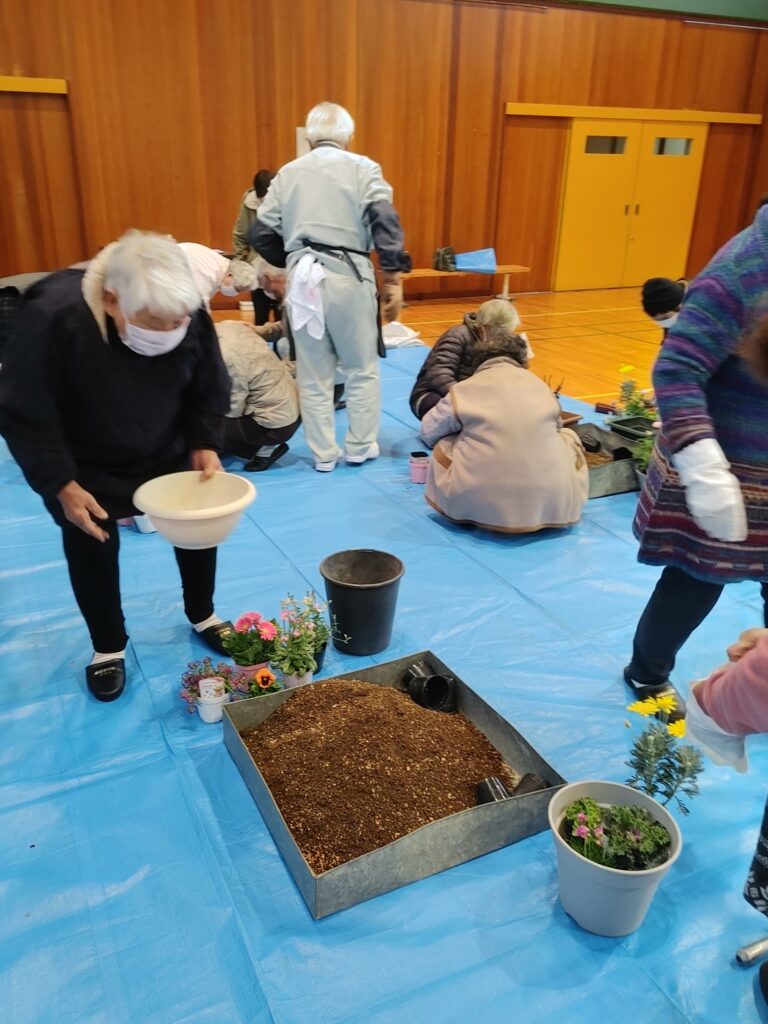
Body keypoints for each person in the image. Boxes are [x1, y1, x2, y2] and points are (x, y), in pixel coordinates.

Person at [0, 231, 235, 703]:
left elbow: (209, 382)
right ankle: (108, 645)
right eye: (153, 323)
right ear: (112, 300)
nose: (169, 330)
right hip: (85, 463)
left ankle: (202, 613)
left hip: (166, 444)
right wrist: (60, 483)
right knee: (92, 544)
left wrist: (204, 442)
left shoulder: (183, 307)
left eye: (178, 321)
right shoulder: (52, 316)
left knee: (196, 527)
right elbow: (25, 411)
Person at [624, 205, 768, 717]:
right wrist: (706, 471)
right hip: (725, 473)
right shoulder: (745, 266)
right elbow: (677, 367)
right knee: (695, 582)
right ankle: (646, 672)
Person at [248, 101, 411, 473]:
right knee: (360, 367)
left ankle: (323, 454)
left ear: (309, 138)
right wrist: (392, 278)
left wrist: (292, 259)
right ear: (348, 137)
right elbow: (384, 219)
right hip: (348, 275)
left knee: (313, 373)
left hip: (302, 279)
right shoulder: (363, 168)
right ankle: (359, 446)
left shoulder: (288, 174)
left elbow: (261, 232)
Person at [419, 328, 588, 533]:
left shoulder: (463, 389)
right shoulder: (542, 387)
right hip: (555, 507)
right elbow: (558, 428)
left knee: (446, 441)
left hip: (474, 506)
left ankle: (465, 504)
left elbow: (429, 431)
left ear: (476, 362)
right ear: (522, 359)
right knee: (568, 436)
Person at [409, 298, 531, 419]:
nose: (503, 336)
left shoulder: (508, 343)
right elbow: (439, 375)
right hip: (434, 395)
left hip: (475, 398)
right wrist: (467, 399)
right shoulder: (457, 335)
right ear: (483, 326)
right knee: (460, 413)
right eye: (499, 332)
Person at [215, 320, 300, 471]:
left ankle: (263, 449)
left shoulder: (226, 355)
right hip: (291, 409)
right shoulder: (229, 326)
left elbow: (234, 405)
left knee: (204, 422)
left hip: (275, 424)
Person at [232, 169, 278, 325]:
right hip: (257, 265)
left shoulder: (285, 200)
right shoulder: (249, 203)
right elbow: (240, 234)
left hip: (280, 267)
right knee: (260, 314)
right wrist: (239, 264)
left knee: (282, 315)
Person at [178, 242, 255, 311]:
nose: (235, 293)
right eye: (236, 289)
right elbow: (200, 308)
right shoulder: (209, 273)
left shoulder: (223, 266)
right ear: (230, 275)